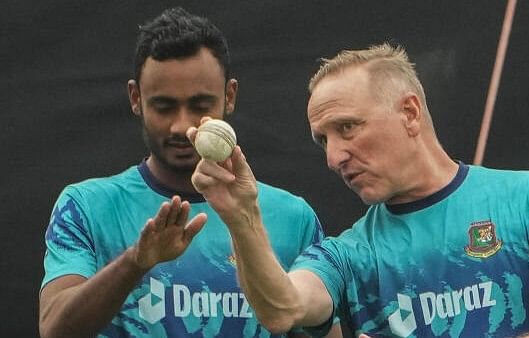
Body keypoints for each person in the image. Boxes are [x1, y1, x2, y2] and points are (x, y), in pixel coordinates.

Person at [189, 43, 529, 337]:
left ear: (409, 113)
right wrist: (241, 217)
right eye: (323, 140)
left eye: (347, 127)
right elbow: (283, 309)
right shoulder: (347, 254)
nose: (335, 157)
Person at [39, 7, 341, 338]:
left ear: (229, 96)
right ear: (136, 98)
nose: (182, 126)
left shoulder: (292, 217)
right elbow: (54, 330)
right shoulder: (86, 206)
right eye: (163, 106)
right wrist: (135, 262)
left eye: (200, 106)